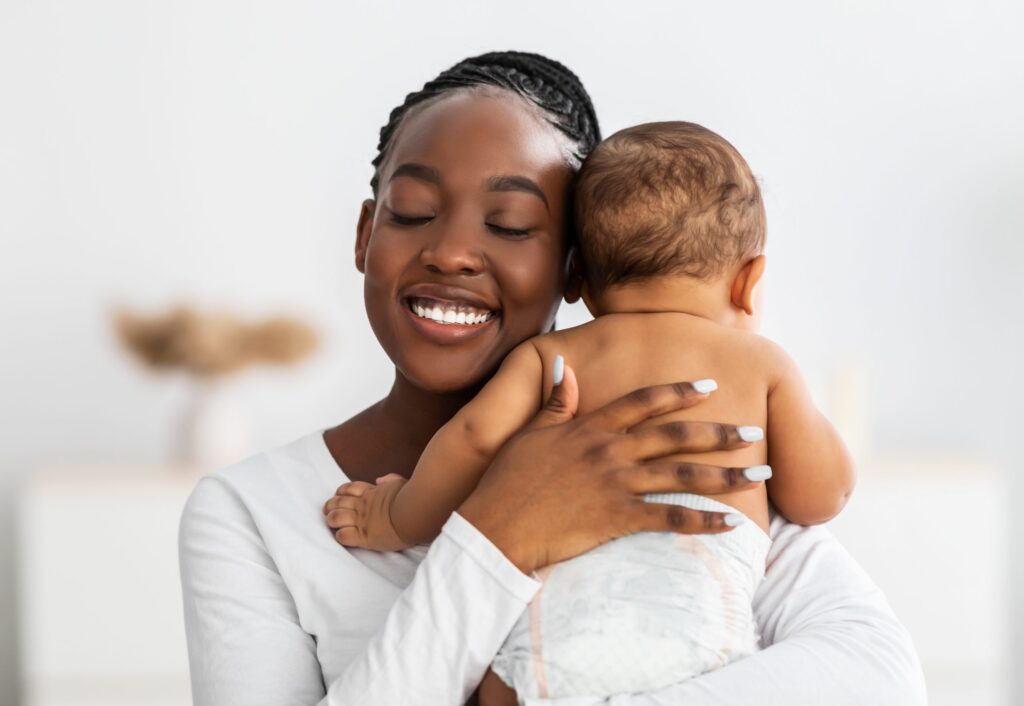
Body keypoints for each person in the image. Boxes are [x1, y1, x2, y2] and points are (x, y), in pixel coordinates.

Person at [178, 51, 926, 706]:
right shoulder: (250, 514)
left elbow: (881, 682)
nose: (452, 253)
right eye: (411, 212)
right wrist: (499, 533)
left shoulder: (689, 450)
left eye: (508, 225)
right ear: (365, 234)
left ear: (577, 271)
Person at [323, 120, 856, 703]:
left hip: (554, 638)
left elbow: (472, 441)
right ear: (749, 282)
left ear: (575, 276)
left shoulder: (551, 356)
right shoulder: (761, 365)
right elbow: (819, 497)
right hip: (697, 636)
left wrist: (394, 516)